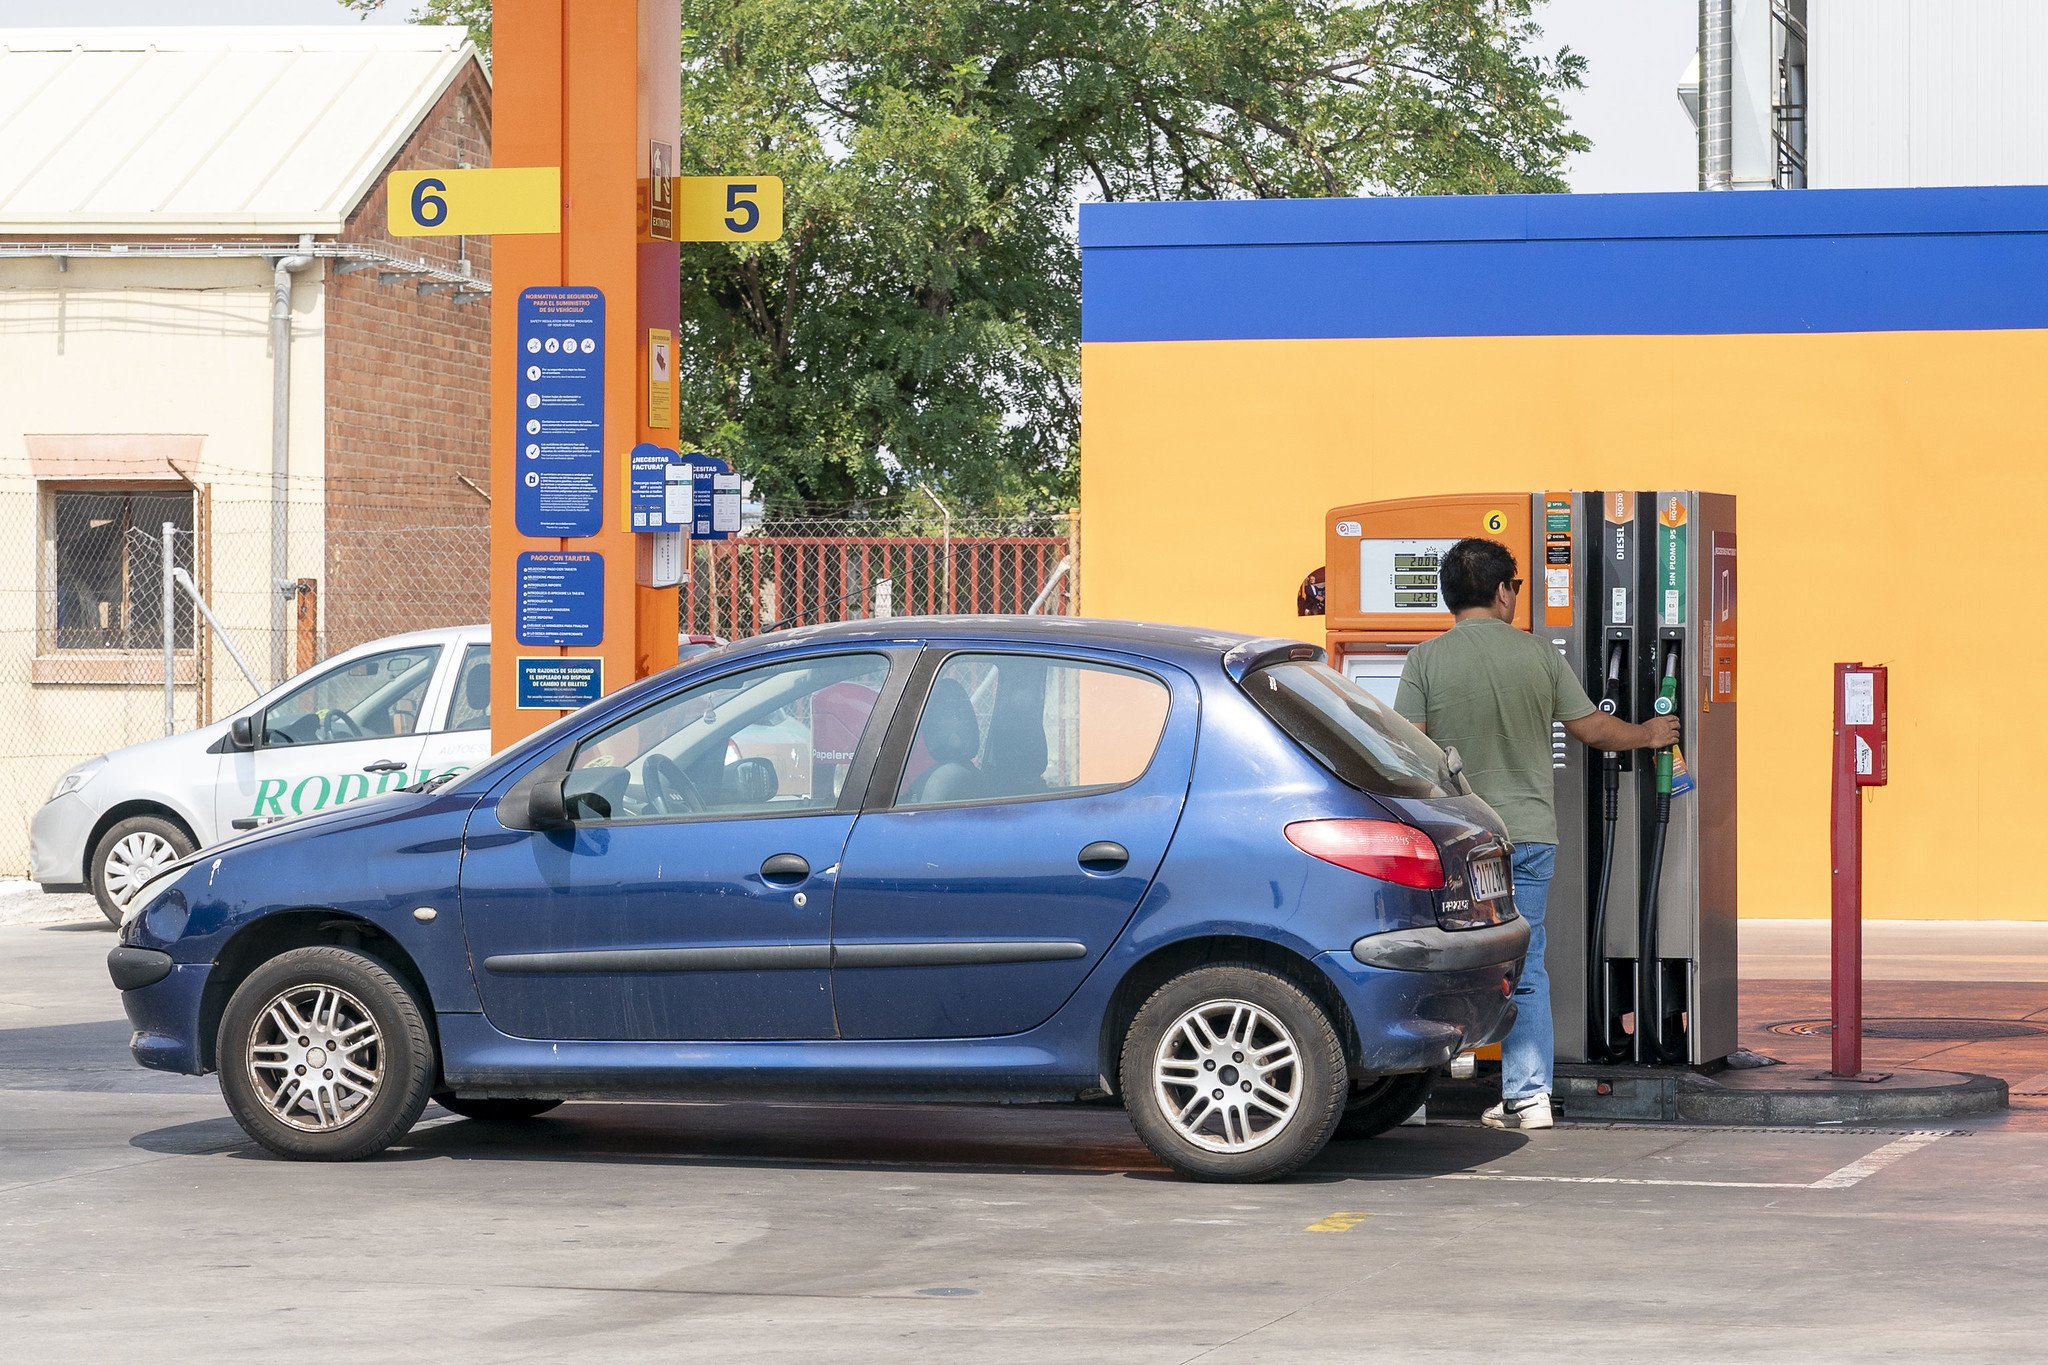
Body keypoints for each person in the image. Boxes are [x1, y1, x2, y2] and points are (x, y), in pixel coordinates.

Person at [1394, 538, 1679, 1131]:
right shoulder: (1539, 655)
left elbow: (1409, 747)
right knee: (1524, 963)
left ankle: (1416, 1096)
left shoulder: (1424, 660)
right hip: (1527, 835)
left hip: (1456, 840)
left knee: (1442, 957)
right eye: (1516, 586)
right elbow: (1593, 729)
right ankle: (1529, 1098)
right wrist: (1650, 734)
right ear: (1503, 592)